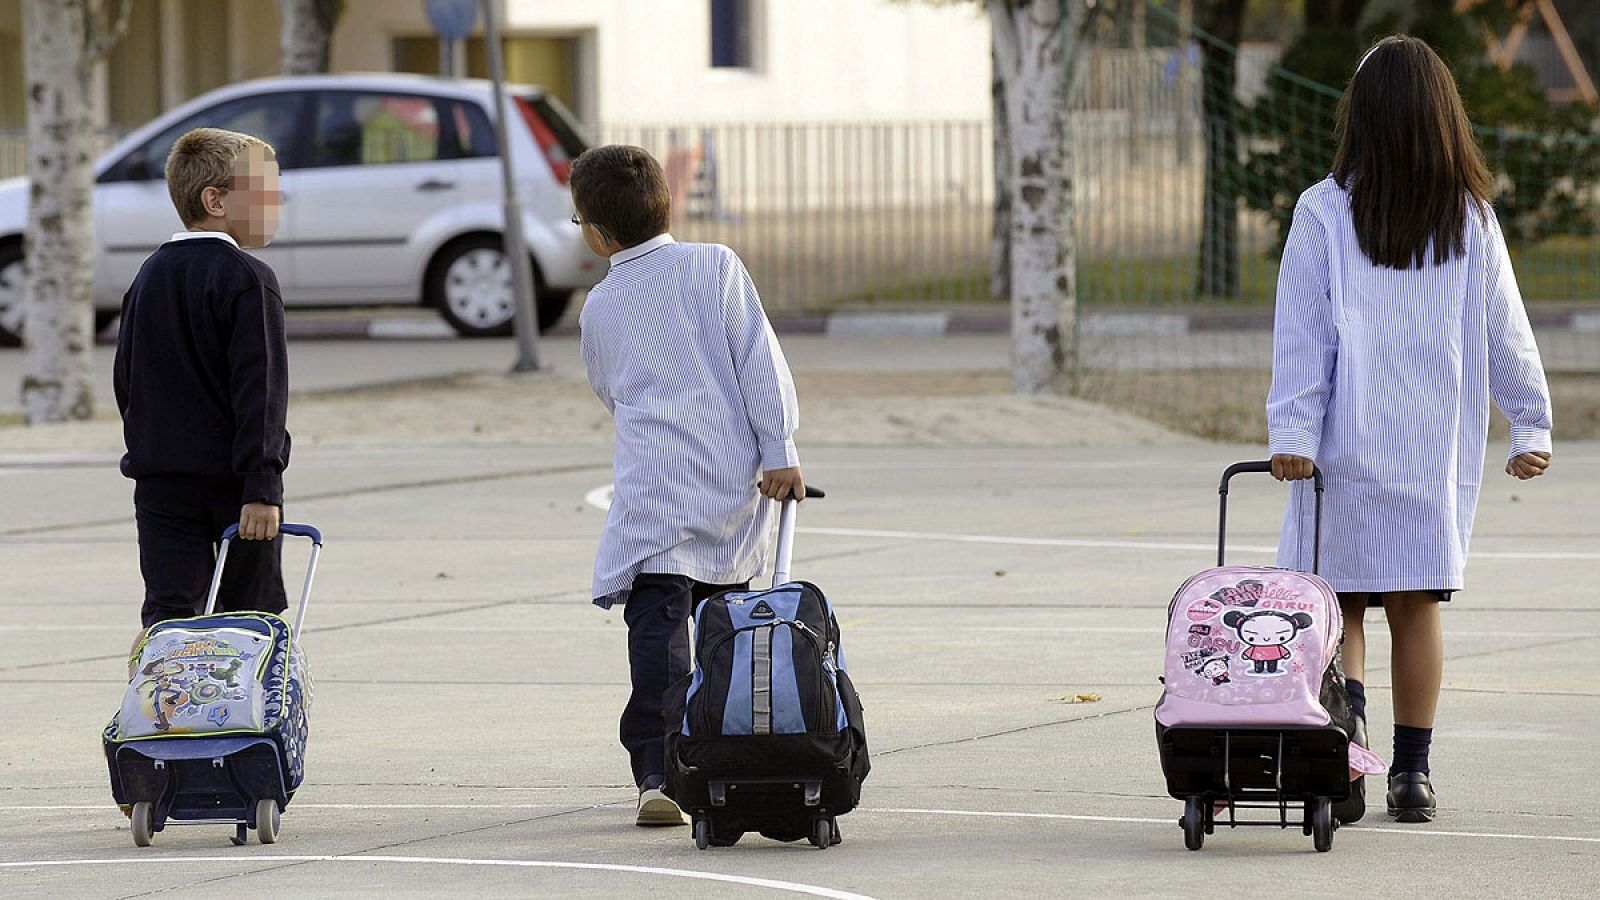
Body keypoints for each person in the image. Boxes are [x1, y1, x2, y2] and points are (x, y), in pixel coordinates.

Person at [1266, 36, 1552, 824]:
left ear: (1360, 116)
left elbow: (1302, 334)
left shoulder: (1323, 211)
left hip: (1343, 450)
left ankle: (1349, 750)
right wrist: (1529, 424)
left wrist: (1292, 433)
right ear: (1441, 116)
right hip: (1432, 452)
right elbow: (1505, 329)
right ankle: (1413, 776)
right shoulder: (1470, 217)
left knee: (1343, 609)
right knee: (1416, 607)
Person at [572, 145, 804, 827]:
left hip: (651, 491)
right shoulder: (716, 266)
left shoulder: (601, 305)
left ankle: (658, 771)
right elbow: (759, 360)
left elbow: (608, 389)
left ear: (598, 234)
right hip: (728, 484)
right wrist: (780, 449)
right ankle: (721, 754)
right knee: (724, 630)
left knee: (657, 633)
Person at [114, 127, 291, 644]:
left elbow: (127, 380)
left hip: (160, 486)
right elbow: (261, 392)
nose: (276, 202)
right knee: (250, 621)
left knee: (168, 618)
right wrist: (263, 486)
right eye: (264, 191)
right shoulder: (248, 278)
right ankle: (244, 698)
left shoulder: (148, 276)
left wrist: (149, 448)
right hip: (237, 489)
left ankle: (161, 694)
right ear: (215, 201)